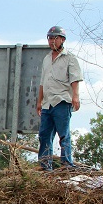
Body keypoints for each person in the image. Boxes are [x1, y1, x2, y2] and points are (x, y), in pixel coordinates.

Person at [36, 25, 83, 171]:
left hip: (62, 100)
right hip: (47, 103)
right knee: (44, 135)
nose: (52, 41)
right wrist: (39, 101)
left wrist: (75, 96)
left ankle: (66, 164)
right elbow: (43, 82)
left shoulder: (70, 58)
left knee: (64, 134)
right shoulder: (46, 59)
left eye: (55, 38)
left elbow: (75, 79)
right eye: (50, 38)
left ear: (62, 39)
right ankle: (45, 166)